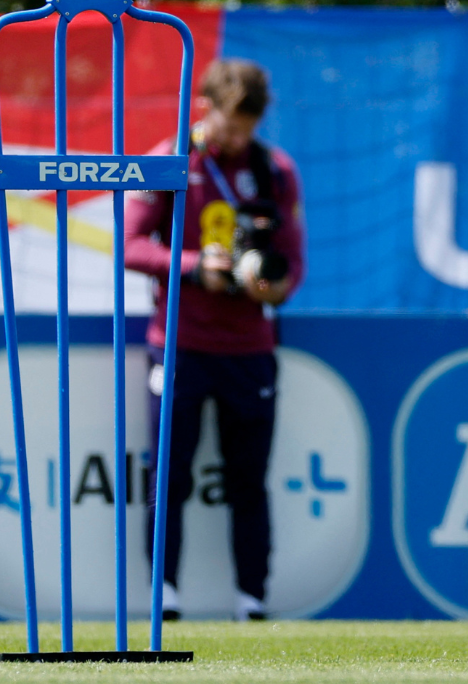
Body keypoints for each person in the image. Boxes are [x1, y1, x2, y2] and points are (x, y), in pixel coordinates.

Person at [125, 58, 305, 621]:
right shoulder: (170, 158)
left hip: (250, 353)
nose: (235, 138)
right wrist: (192, 265)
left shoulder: (275, 170)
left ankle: (253, 600)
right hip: (180, 345)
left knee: (248, 482)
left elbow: (294, 262)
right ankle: (165, 597)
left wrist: (273, 287)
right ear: (206, 108)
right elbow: (129, 245)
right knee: (169, 477)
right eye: (228, 126)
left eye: (245, 129)